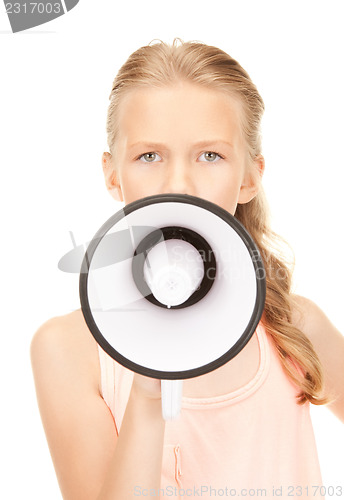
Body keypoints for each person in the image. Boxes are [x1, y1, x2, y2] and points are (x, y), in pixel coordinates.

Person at [30, 38, 344, 500]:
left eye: (210, 155)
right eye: (149, 156)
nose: (178, 183)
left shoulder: (295, 329)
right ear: (113, 174)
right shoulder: (67, 350)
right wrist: (149, 394)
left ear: (249, 177)